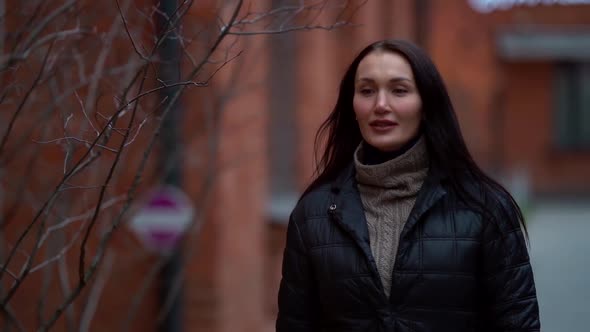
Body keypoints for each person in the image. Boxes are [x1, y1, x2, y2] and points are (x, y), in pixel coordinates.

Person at [276, 39, 540, 332]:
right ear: (352, 105)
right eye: (366, 91)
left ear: (426, 104)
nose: (380, 105)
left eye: (399, 90)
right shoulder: (313, 214)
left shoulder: (485, 207)